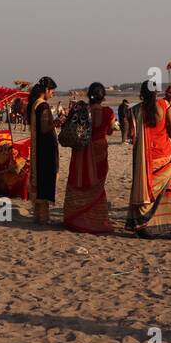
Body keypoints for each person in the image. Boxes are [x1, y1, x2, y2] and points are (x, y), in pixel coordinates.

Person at [126, 80, 171, 239]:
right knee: (165, 193)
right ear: (156, 92)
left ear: (142, 93)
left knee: (145, 189)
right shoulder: (164, 105)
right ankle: (165, 227)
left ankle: (142, 225)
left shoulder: (135, 111)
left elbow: (131, 135)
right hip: (164, 155)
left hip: (145, 159)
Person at [63, 82, 115, 233]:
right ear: (103, 97)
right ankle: (95, 219)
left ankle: (76, 217)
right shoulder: (108, 112)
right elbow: (111, 130)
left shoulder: (81, 110)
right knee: (98, 184)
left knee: (79, 179)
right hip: (100, 150)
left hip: (82, 149)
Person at [27, 76, 60, 225]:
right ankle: (44, 218)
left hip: (38, 148)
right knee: (45, 181)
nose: (53, 94)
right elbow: (45, 128)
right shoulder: (43, 106)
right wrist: (56, 122)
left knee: (39, 181)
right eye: (52, 91)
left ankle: (38, 216)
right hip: (45, 149)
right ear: (46, 90)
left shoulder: (34, 104)